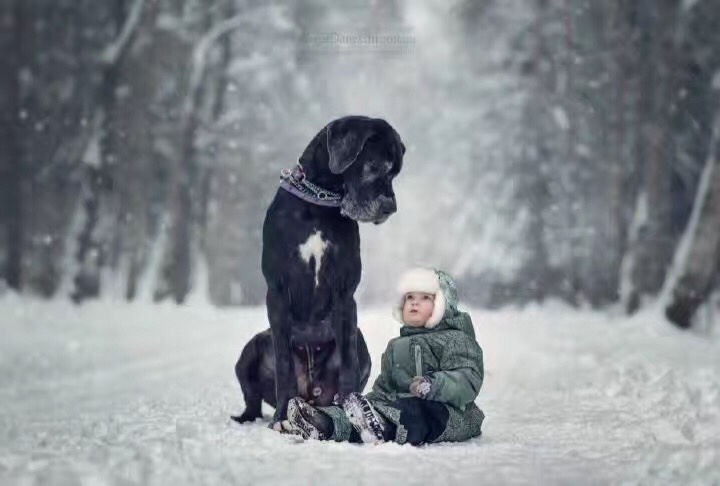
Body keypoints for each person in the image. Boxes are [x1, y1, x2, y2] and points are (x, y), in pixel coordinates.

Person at [287, 268, 485, 445]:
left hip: (450, 415)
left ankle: (380, 425)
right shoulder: (396, 346)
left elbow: (468, 379)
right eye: (409, 297)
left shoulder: (456, 339)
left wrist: (433, 385)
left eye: (425, 297)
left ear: (443, 304)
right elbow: (385, 389)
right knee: (376, 409)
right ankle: (324, 423)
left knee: (417, 412)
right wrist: (367, 403)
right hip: (399, 408)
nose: (415, 302)